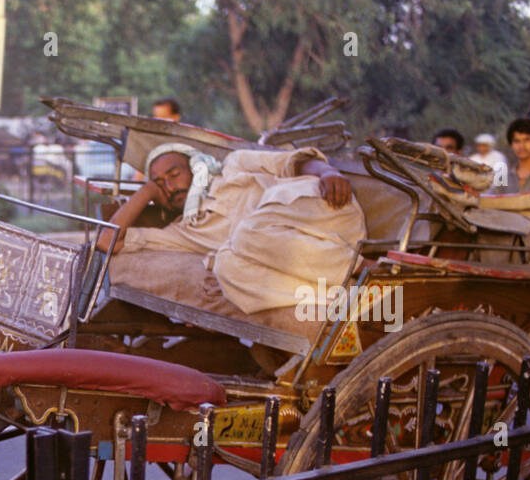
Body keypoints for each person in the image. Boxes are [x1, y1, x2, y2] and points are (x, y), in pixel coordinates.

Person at [97, 142, 365, 353]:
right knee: (225, 265)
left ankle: (361, 266)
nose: (169, 186)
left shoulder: (234, 166)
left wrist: (328, 172)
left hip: (324, 210)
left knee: (246, 234)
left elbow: (294, 162)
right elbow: (106, 242)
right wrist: (146, 193)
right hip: (297, 254)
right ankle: (341, 293)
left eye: (174, 174)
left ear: (195, 166)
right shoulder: (184, 232)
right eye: (160, 184)